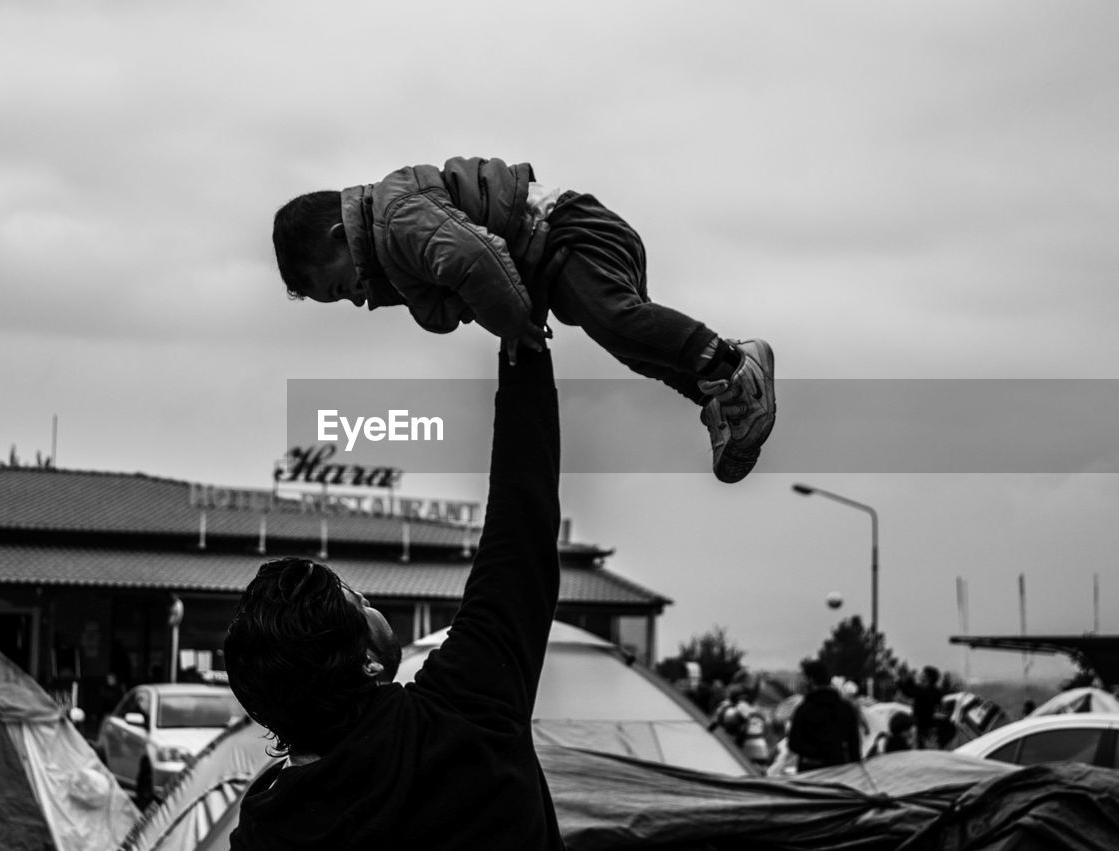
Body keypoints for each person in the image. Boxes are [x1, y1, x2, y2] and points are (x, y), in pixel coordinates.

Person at [224, 343, 565, 849]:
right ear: (366, 661)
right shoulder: (465, 708)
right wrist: (521, 341)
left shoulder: (265, 828)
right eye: (358, 602)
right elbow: (521, 524)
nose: (369, 603)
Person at [271, 156, 776, 484]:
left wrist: (512, 325)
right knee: (631, 343)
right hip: (552, 252)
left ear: (342, 235)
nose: (355, 301)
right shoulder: (395, 254)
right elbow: (447, 305)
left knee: (617, 320)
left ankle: (735, 364)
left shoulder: (399, 217)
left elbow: (478, 259)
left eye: (340, 288)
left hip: (565, 230)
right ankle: (718, 398)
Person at [786, 659, 862, 772]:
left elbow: (794, 743)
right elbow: (854, 745)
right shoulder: (846, 708)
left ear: (811, 680)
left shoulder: (804, 709)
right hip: (839, 770)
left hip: (810, 771)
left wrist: (815, 753)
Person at [897, 665, 944, 749]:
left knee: (921, 750)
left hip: (923, 727)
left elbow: (910, 692)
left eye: (923, 674)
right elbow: (912, 690)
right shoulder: (934, 691)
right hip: (928, 726)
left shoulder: (927, 692)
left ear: (928, 678)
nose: (920, 675)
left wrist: (903, 680)